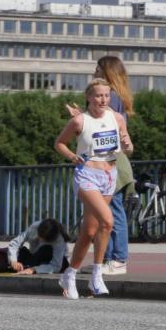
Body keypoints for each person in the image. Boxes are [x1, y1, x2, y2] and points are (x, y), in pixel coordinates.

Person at [55, 78, 134, 299]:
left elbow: (128, 149)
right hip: (87, 175)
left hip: (110, 175)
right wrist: (72, 156)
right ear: (89, 97)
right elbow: (59, 143)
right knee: (108, 221)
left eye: (106, 95)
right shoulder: (80, 121)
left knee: (89, 231)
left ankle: (69, 274)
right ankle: (97, 274)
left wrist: (127, 144)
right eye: (98, 95)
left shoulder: (116, 118)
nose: (103, 99)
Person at [67, 55, 134, 275]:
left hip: (109, 163)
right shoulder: (118, 96)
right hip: (110, 161)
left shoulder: (110, 97)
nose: (94, 72)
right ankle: (106, 259)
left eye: (97, 69)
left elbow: (102, 130)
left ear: (106, 72)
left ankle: (117, 259)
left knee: (112, 212)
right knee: (105, 213)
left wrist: (81, 119)